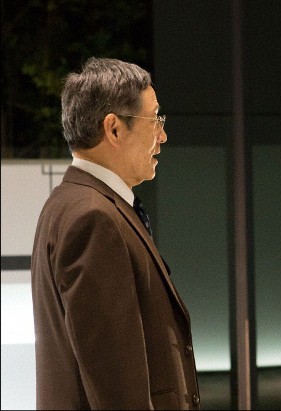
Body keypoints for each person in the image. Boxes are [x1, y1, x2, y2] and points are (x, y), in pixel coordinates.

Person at [31, 57, 200, 409]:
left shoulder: (68, 203)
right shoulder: (94, 218)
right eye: (155, 119)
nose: (162, 136)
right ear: (114, 129)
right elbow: (116, 385)